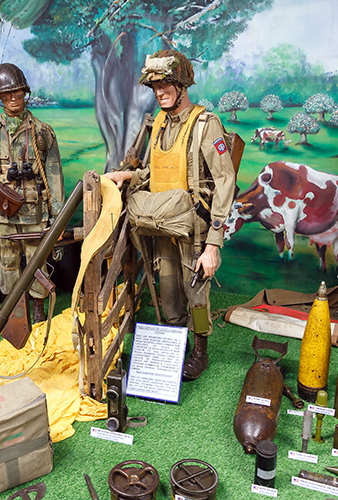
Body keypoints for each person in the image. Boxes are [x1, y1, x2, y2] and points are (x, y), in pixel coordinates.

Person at [105, 50, 236, 381]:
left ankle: (200, 349)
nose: (159, 92)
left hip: (194, 229)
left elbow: (225, 181)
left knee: (197, 297)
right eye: (154, 87)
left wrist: (213, 245)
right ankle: (176, 345)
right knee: (169, 292)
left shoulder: (206, 125)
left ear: (182, 85)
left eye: (165, 85)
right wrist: (128, 176)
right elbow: (155, 172)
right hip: (163, 224)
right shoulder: (159, 123)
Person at [0, 64, 64, 323]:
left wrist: (58, 217)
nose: (13, 98)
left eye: (18, 92)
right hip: (3, 215)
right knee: (7, 265)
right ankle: (16, 316)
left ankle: (38, 311)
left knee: (37, 264)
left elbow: (54, 176)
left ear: (25, 92)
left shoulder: (42, 132)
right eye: (6, 93)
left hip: (35, 213)